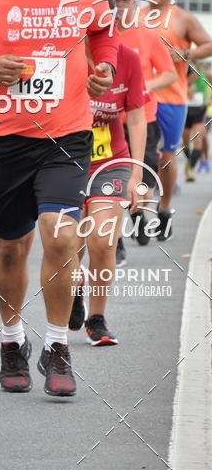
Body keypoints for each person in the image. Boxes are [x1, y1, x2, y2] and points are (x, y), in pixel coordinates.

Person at [0, 0, 118, 398]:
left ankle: (58, 345)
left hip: (67, 134)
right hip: (3, 138)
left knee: (59, 233)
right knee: (11, 245)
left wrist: (105, 71)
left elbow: (104, 37)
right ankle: (13, 342)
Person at [70, 41, 146, 344]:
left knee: (103, 240)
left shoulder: (128, 58)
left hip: (111, 162)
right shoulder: (64, 50)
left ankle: (97, 318)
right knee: (68, 242)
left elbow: (138, 118)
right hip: (64, 160)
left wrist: (137, 171)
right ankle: (75, 286)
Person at [108, 0, 176, 244]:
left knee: (143, 179)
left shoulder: (147, 36)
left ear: (134, 3)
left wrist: (143, 84)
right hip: (108, 120)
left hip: (142, 118)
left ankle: (137, 215)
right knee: (111, 175)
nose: (118, 6)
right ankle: (119, 232)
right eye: (113, 1)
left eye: (123, 0)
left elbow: (169, 75)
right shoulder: (101, 36)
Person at [145, 0, 212, 237]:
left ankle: (163, 208)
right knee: (135, 157)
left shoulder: (183, 18)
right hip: (139, 98)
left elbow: (208, 44)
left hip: (171, 99)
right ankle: (138, 210)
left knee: (166, 157)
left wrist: (186, 54)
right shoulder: (135, 17)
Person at [183, 65, 211, 181]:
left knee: (198, 141)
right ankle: (190, 161)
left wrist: (209, 100)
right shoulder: (182, 73)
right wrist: (186, 89)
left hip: (199, 112)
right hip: (184, 113)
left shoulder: (206, 74)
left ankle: (190, 169)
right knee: (185, 145)